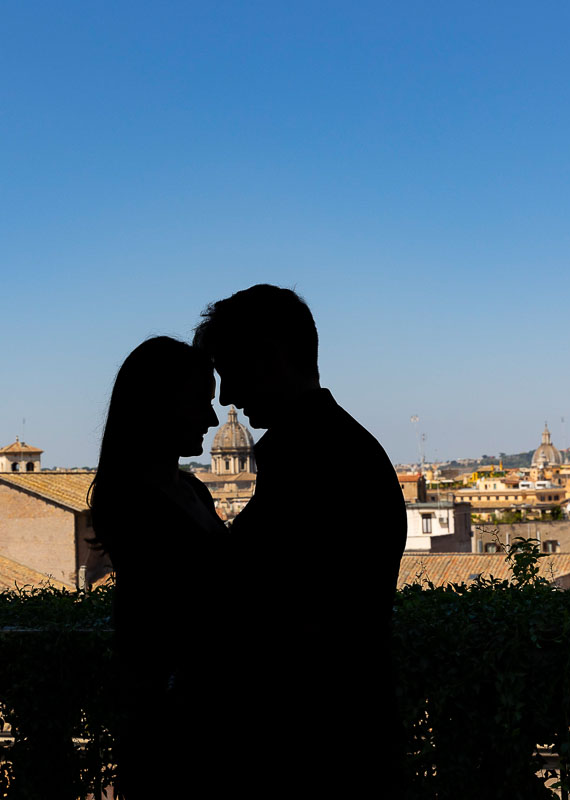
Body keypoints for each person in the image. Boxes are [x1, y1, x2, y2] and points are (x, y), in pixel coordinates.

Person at [193, 285, 407, 798]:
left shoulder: (310, 457)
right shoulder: (337, 444)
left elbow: (277, 613)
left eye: (228, 371)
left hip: (314, 749)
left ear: (270, 357)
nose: (224, 398)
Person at [88, 336, 227, 798]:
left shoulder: (192, 490)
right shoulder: (129, 500)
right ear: (160, 405)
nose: (211, 417)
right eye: (199, 402)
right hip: (171, 717)